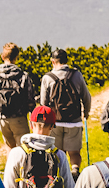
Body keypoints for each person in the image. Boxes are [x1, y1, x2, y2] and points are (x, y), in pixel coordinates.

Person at [0, 43, 39, 160]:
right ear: (16, 57)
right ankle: (23, 170)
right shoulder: (23, 76)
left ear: (2, 57)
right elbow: (30, 100)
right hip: (19, 118)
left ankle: (11, 170)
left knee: (10, 149)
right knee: (24, 150)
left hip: (3, 119)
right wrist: (33, 119)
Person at [38, 49, 93, 178]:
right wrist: (86, 112)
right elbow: (87, 97)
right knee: (74, 152)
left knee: (57, 152)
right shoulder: (76, 75)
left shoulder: (47, 78)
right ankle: (75, 171)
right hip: (74, 122)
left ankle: (58, 175)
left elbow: (43, 104)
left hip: (55, 122)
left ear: (53, 61)